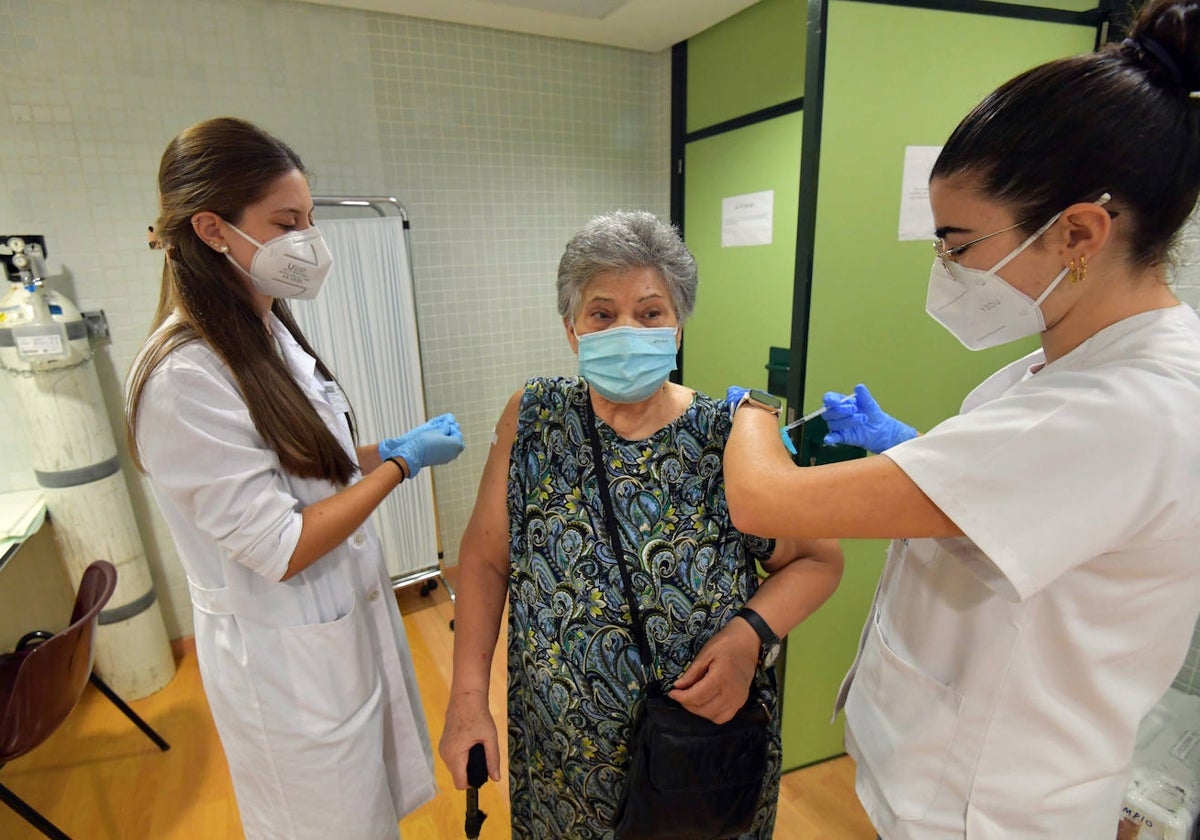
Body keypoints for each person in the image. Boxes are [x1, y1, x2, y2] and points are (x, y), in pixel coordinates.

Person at [722, 2, 1200, 837]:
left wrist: (749, 413)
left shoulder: (1135, 403)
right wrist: (913, 455)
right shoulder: (1066, 364)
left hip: (995, 805)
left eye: (958, 242)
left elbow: (761, 502)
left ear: (1078, 233)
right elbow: (1016, 501)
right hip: (940, 763)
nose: (945, 268)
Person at [437, 210, 843, 838]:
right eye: (602, 313)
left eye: (650, 312)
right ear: (573, 330)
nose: (627, 329)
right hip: (561, 767)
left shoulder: (730, 434)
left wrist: (749, 637)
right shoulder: (535, 418)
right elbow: (487, 559)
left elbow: (819, 559)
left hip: (701, 766)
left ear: (677, 327)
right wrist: (468, 697)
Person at [124, 117, 465, 840]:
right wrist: (404, 467)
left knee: (365, 813)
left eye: (308, 219)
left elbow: (304, 460)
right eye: (286, 222)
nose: (307, 241)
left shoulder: (264, 329)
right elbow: (281, 544)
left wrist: (378, 450)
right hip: (283, 661)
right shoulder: (183, 376)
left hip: (333, 629)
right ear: (213, 228)